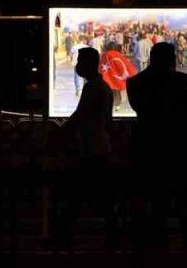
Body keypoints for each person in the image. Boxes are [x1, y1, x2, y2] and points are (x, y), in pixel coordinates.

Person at [127, 42, 187, 252]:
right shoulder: (182, 81)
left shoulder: (135, 83)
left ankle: (156, 249)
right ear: (170, 59)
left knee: (156, 206)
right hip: (182, 151)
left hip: (149, 152)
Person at [50, 48, 115, 247]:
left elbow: (80, 116)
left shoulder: (92, 88)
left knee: (77, 196)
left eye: (80, 61)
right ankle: (112, 236)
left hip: (92, 149)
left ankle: (63, 239)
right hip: (98, 147)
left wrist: (58, 134)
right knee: (97, 197)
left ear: (89, 63)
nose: (77, 65)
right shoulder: (102, 86)